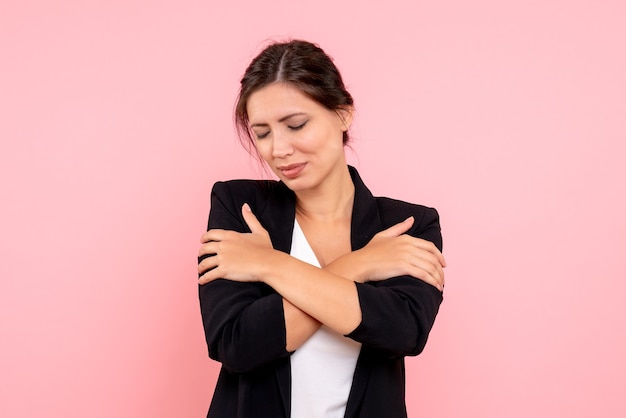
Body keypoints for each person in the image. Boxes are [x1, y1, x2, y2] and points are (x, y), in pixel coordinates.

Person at [197, 39, 446, 418]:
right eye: (262, 133)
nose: (279, 149)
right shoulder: (239, 207)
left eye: (296, 125)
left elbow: (402, 333)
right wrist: (360, 265)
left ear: (343, 114)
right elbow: (236, 346)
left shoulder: (408, 227)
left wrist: (268, 265)